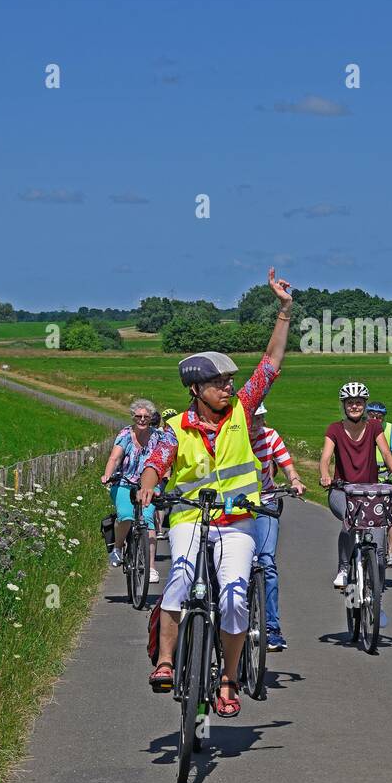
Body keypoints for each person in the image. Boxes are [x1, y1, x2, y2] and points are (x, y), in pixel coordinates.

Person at [137, 267, 294, 717]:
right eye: (219, 383)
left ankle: (228, 677)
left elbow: (271, 364)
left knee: (234, 596)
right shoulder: (174, 429)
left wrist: (283, 311)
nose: (229, 387)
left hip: (239, 519)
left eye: (229, 382)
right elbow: (155, 464)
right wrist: (149, 490)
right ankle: (166, 663)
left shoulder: (243, 412)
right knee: (180, 579)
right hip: (191, 518)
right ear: (196, 390)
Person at [319, 382, 392, 591]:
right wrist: (325, 475)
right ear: (344, 405)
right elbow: (325, 458)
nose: (355, 406)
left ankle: (375, 581)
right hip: (342, 490)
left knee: (378, 538)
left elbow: (386, 453)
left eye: (358, 403)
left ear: (365, 405)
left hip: (370, 490)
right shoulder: (335, 429)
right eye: (350, 403)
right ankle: (343, 568)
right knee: (350, 520)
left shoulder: (374, 427)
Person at [248, 402, 304, 652]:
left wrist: (295, 480)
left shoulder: (270, 436)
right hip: (234, 507)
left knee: (266, 562)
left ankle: (272, 627)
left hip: (266, 502)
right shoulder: (230, 437)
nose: (256, 425)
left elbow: (286, 464)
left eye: (260, 419)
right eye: (252, 420)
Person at [100, 399, 164, 584]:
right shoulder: (125, 435)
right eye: (138, 416)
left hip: (148, 486)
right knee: (126, 515)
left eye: (146, 416)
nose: (142, 420)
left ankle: (151, 567)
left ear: (151, 418)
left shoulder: (157, 437)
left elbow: (164, 460)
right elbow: (115, 458)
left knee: (149, 520)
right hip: (124, 483)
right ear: (133, 417)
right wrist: (107, 475)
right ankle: (118, 548)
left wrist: (165, 476)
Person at [366, 401, 392, 567]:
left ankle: (390, 553)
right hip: (366, 477)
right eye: (372, 416)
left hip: (386, 477)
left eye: (379, 417)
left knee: (391, 517)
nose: (376, 419)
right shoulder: (362, 427)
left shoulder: (389, 429)